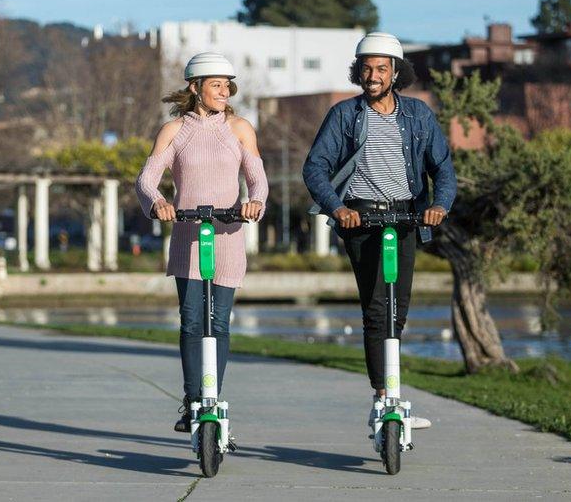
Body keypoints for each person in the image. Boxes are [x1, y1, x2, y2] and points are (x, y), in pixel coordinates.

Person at [302, 32, 457, 430]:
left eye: (381, 69)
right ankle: (383, 396)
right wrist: (338, 208)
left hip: (406, 218)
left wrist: (439, 205)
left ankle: (394, 390)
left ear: (395, 73)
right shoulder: (344, 114)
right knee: (375, 310)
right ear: (359, 72)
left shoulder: (419, 115)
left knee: (397, 310)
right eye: (366, 68)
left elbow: (443, 168)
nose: (373, 75)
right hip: (362, 219)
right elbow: (315, 167)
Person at [135, 52, 269, 432]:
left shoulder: (240, 128)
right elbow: (146, 180)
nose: (224, 91)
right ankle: (193, 400)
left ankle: (213, 399)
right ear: (195, 87)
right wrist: (158, 202)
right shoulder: (174, 130)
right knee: (192, 321)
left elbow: (257, 178)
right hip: (188, 234)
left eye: (227, 85)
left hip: (227, 234)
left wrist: (256, 200)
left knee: (219, 324)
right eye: (216, 85)